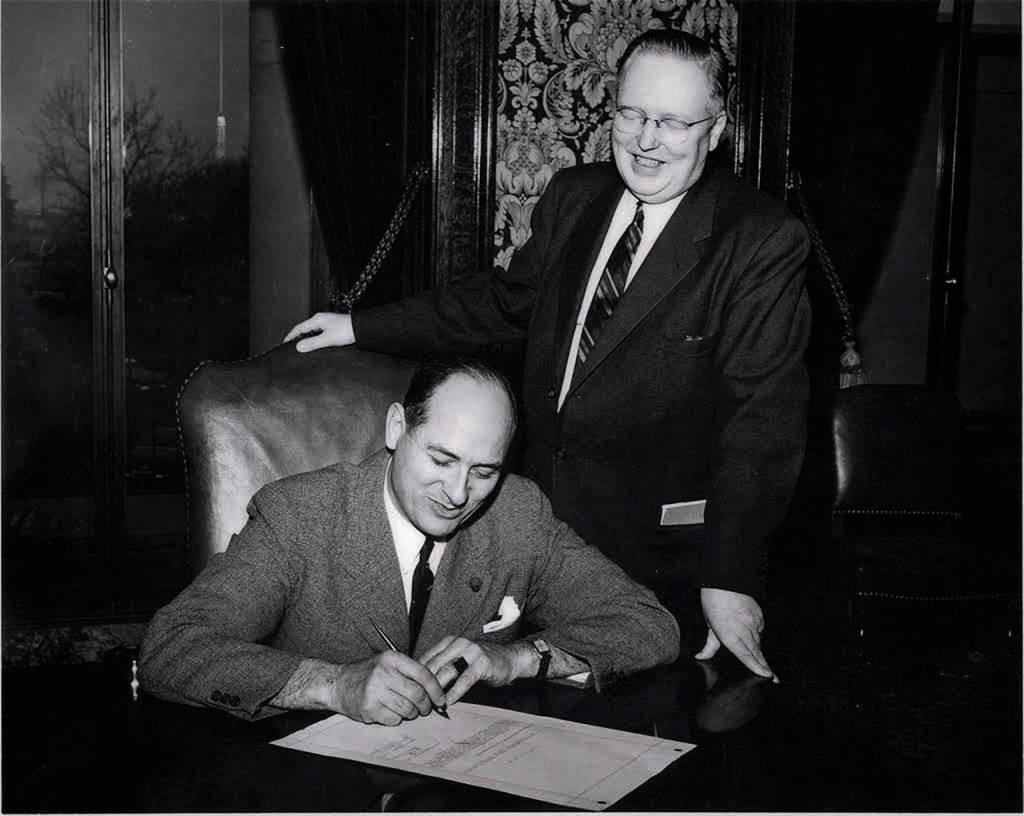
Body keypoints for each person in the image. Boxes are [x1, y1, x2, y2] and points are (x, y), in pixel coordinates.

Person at [284, 30, 810, 681]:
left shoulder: (760, 239)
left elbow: (762, 423)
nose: (646, 141)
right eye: (631, 114)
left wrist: (731, 576)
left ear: (717, 128)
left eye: (673, 122)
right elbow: (504, 304)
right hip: (529, 542)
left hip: (657, 565)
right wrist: (360, 326)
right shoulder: (575, 197)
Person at [139, 357, 679, 723]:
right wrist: (332, 685)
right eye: (441, 459)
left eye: (484, 471)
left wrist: (520, 658)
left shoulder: (517, 514)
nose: (458, 493)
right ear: (397, 429)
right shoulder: (299, 515)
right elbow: (171, 647)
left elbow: (648, 624)